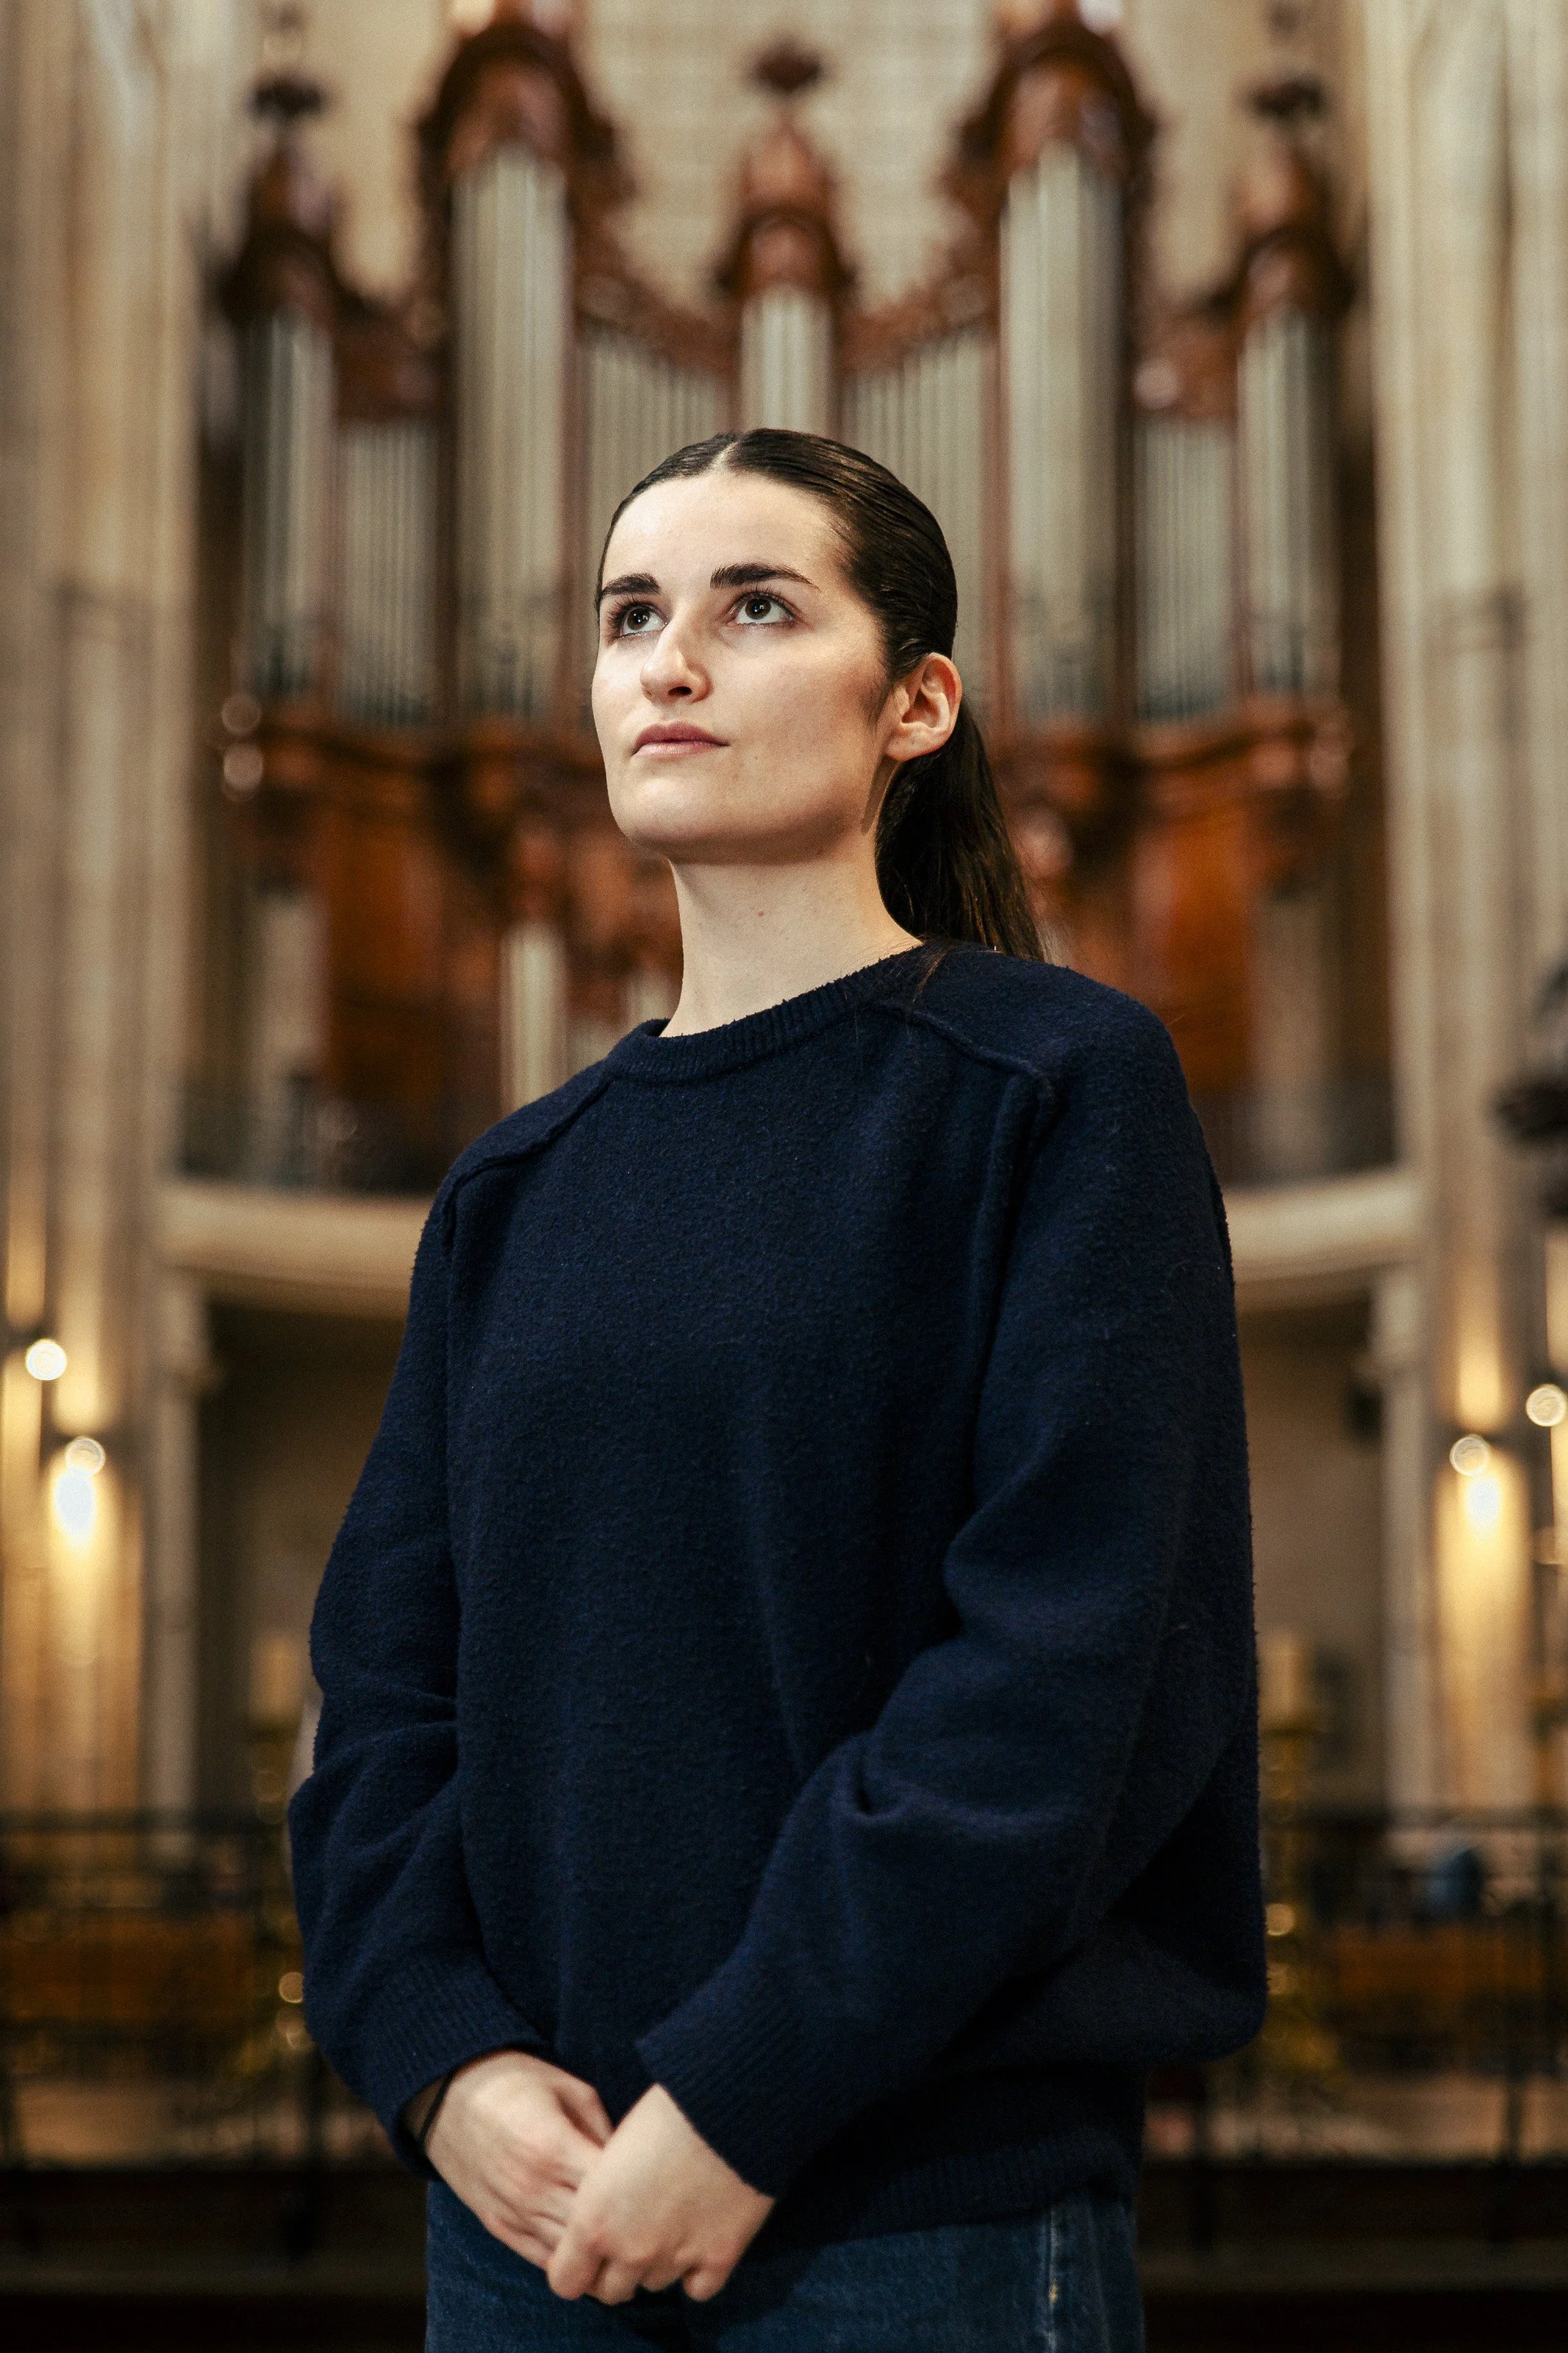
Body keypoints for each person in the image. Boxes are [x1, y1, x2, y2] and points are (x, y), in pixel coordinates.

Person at [288, 429, 1266, 2350]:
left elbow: (1061, 1684)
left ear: (915, 703)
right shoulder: (511, 1188)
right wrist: (440, 2061)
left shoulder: (1051, 1089)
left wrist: (742, 2093)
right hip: (533, 2209)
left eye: (753, 607)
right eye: (629, 614)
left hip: (906, 2211)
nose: (667, 660)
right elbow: (388, 1696)